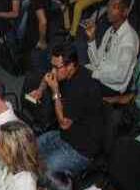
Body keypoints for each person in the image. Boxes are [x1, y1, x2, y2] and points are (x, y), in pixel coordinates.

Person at [28, 43, 106, 176]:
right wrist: (40, 90)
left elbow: (64, 123)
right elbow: (48, 76)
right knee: (28, 149)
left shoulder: (83, 87)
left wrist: (56, 91)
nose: (53, 71)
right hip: (65, 136)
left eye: (56, 67)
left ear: (70, 66)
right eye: (52, 66)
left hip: (81, 150)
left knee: (43, 171)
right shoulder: (65, 72)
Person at [81, 0, 139, 96]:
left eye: (115, 7)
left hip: (112, 87)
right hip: (100, 77)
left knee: (78, 87)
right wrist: (92, 39)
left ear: (125, 11)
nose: (109, 10)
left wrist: (94, 74)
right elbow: (96, 61)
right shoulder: (110, 30)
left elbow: (120, 77)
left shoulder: (129, 39)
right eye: (108, 6)